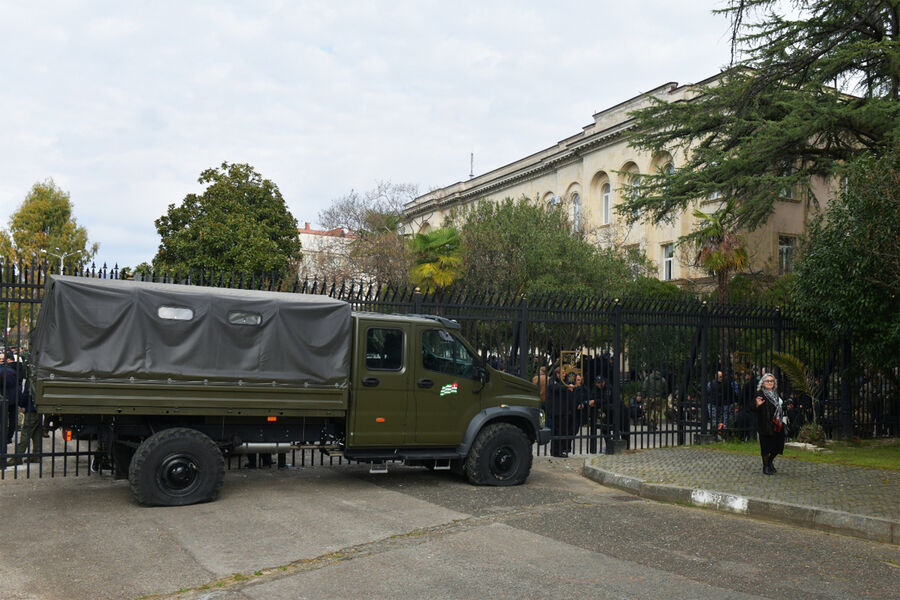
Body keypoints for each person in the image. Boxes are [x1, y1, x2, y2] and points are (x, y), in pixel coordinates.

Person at [754, 373, 785, 475]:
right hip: (765, 424)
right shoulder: (760, 394)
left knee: (778, 446)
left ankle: (770, 461)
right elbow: (751, 407)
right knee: (766, 447)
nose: (770, 383)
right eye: (767, 381)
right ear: (763, 383)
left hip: (777, 423)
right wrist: (757, 405)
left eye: (772, 381)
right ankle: (765, 466)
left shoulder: (776, 393)